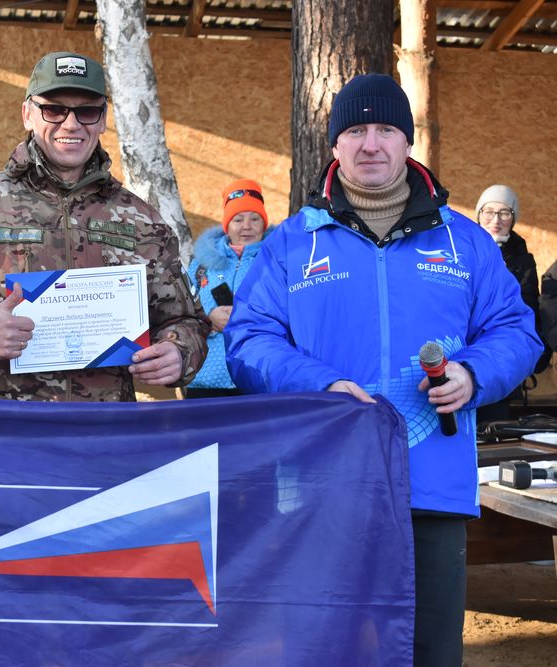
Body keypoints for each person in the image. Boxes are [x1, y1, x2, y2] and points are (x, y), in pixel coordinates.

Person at [224, 74, 541, 666]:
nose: (371, 144)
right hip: (321, 485)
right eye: (355, 131)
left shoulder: (466, 242)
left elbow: (516, 331)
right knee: (322, 651)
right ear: (334, 145)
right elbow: (249, 340)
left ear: (406, 141)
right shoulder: (292, 244)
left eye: (386, 130)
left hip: (432, 488)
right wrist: (319, 386)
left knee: (429, 652)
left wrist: (473, 375)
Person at [0, 51, 208, 401]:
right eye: (54, 109)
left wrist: (178, 351)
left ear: (103, 119)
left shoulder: (141, 220)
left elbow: (186, 320)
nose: (71, 124)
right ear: (28, 114)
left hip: (103, 428)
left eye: (87, 111)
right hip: (4, 428)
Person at [184, 178, 273, 399]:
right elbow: (181, 312)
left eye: (255, 219)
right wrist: (208, 319)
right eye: (238, 219)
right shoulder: (202, 265)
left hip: (260, 376)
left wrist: (246, 317)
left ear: (264, 223)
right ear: (227, 226)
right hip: (206, 381)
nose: (246, 226)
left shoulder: (277, 262)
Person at [474, 184, 550, 423]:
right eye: (489, 212)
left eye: (504, 213)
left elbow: (528, 306)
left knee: (493, 426)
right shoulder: (462, 250)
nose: (496, 220)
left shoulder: (522, 259)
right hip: (463, 352)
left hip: (501, 356)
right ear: (479, 214)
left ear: (513, 218)